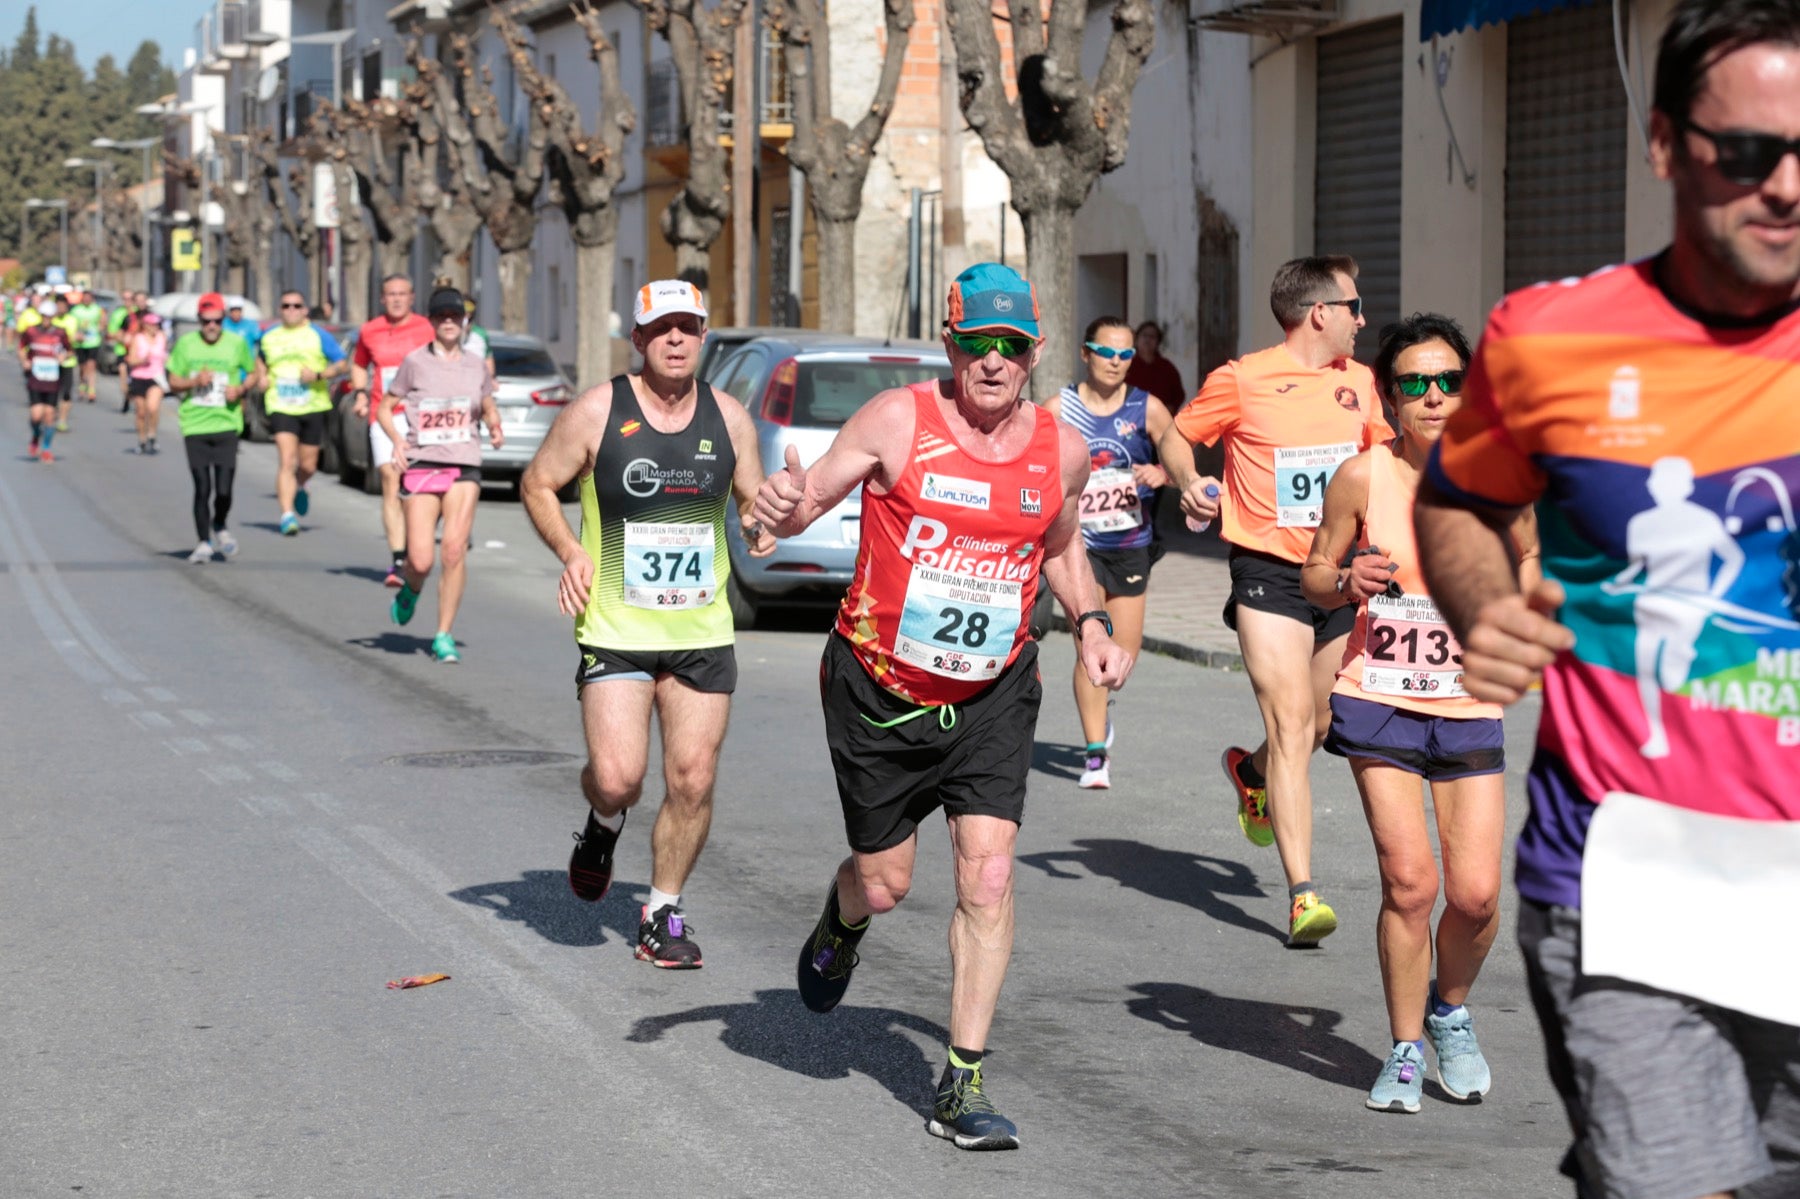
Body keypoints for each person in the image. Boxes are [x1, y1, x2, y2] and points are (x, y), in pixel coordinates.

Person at [1416, 4, 1800, 1195]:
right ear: (1666, 146)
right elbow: (1456, 501)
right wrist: (1484, 606)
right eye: (1748, 153)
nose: (1786, 187)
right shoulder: (1550, 337)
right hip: (1630, 877)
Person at [755, 263, 1132, 1151]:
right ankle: (843, 916)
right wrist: (774, 507)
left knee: (989, 873)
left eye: (1011, 347)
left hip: (996, 688)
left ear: (1035, 352)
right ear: (951, 345)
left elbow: (1063, 547)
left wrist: (1093, 621)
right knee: (887, 882)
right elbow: (801, 504)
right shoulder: (899, 421)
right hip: (879, 685)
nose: (993, 363)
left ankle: (961, 1080)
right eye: (976, 345)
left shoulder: (1060, 449)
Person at [1300, 313, 1539, 1114]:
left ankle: (1450, 1010)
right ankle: (1404, 1047)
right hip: (1379, 699)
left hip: (1468, 703)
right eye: (1414, 383)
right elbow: (1316, 572)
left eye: (1448, 381)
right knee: (1410, 882)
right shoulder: (1363, 477)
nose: (1434, 396)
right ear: (1389, 394)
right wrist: (1345, 582)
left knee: (1473, 896)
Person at [521, 279, 774, 970]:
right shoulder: (599, 410)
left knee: (692, 777)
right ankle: (603, 823)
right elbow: (537, 482)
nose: (674, 339)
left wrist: (765, 525)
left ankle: (662, 910)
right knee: (619, 775)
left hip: (700, 631)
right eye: (660, 327)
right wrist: (572, 550)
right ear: (637, 338)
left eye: (687, 327)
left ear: (702, 336)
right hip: (616, 627)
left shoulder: (729, 418)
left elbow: (753, 506)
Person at [1159, 256, 1391, 946]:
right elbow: (1177, 434)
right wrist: (1188, 481)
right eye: (1354, 306)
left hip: (1341, 574)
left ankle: (1251, 772)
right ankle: (1302, 893)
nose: (1363, 320)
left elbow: (1383, 463)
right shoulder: (1242, 379)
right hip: (1266, 571)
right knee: (1293, 721)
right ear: (1321, 312)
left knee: (1320, 721)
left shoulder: (1363, 383)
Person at [1045, 315, 1171, 789]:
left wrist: (1163, 474)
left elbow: (1179, 458)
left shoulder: (1147, 408)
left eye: (1125, 355)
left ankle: (1103, 714)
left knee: (1123, 657)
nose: (1117, 362)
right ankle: (1095, 752)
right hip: (1081, 545)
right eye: (1107, 352)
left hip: (1132, 544)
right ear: (1085, 353)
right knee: (1090, 648)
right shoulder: (1061, 407)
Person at [380, 288, 502, 663]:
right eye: (441, 315)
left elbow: (485, 401)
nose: (449, 320)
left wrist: (494, 425)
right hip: (422, 464)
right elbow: (387, 406)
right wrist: (397, 441)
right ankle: (410, 591)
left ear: (464, 321)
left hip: (464, 463)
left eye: (455, 314)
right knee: (420, 560)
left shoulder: (475, 364)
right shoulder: (415, 362)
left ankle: (443, 634)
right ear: (431, 321)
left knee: (452, 550)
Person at [351, 276, 434, 585]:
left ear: (412, 297)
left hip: (420, 415)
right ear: (382, 299)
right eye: (391, 294)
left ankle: (417, 545)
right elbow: (359, 364)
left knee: (415, 485)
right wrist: (360, 394)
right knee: (390, 477)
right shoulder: (369, 330)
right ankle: (398, 561)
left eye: (402, 294)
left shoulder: (427, 328)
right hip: (383, 413)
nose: (397, 299)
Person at [166, 293, 259, 564]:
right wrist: (194, 381)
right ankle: (203, 542)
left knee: (225, 488)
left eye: (217, 321)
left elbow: (253, 372)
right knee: (202, 486)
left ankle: (220, 524)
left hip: (227, 423)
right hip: (195, 424)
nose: (212, 327)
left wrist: (240, 388)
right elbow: (173, 381)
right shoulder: (186, 345)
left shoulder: (236, 343)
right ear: (199, 321)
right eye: (207, 322)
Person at [258, 289, 347, 535]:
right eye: (286, 306)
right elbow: (261, 359)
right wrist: (262, 376)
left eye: (297, 306)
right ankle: (287, 515)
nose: (291, 311)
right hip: (281, 404)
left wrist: (318, 375)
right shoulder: (270, 335)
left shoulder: (318, 335)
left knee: (308, 465)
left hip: (312, 404)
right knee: (287, 460)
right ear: (280, 309)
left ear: (305, 310)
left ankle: (301, 484)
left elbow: (341, 363)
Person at [18, 299, 70, 462]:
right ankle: (35, 436)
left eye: (49, 316)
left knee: (49, 415)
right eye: (44, 316)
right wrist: (24, 361)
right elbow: (22, 348)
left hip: (53, 378)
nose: (47, 319)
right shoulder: (31, 331)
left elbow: (69, 350)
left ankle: (46, 448)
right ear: (40, 316)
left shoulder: (60, 333)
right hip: (35, 377)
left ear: (53, 316)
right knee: (36, 415)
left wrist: (63, 356)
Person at [124, 310, 169, 455]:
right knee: (141, 412)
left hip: (156, 377)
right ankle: (142, 439)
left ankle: (152, 434)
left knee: (153, 408)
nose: (155, 327)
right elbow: (130, 360)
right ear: (146, 325)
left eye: (157, 324)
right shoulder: (138, 338)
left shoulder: (162, 337)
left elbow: (166, 355)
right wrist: (142, 360)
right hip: (139, 376)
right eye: (152, 324)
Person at [1125, 319, 1186, 415]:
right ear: (1136, 340)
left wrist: (1170, 409)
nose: (1148, 340)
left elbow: (1179, 395)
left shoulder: (1167, 367)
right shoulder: (1126, 365)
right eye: (1144, 335)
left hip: (1160, 420)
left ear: (1158, 342)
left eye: (1152, 337)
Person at [68, 288, 105, 405]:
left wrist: (99, 328)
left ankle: (91, 390)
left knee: (91, 365)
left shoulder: (97, 309)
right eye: (85, 298)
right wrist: (76, 334)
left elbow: (103, 322)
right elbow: (71, 324)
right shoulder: (76, 310)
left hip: (93, 341)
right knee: (82, 367)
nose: (87, 300)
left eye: (89, 298)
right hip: (80, 342)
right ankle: (82, 385)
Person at [50, 293, 78, 432]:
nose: (61, 308)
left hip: (68, 362)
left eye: (63, 306)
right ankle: (51, 414)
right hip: (50, 363)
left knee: (66, 392)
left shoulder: (72, 320)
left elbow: (74, 340)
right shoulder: (49, 321)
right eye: (58, 306)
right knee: (52, 392)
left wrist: (79, 338)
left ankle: (62, 420)